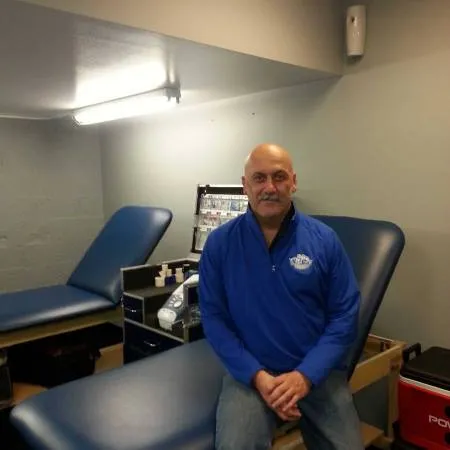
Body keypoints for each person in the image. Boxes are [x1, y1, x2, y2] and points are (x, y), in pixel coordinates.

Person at [198, 143, 365, 450]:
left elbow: (345, 316)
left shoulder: (324, 240)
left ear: (293, 181)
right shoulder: (220, 245)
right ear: (245, 185)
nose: (269, 188)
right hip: (251, 374)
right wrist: (256, 376)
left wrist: (305, 375)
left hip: (316, 371)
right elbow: (214, 319)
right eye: (259, 178)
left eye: (279, 177)